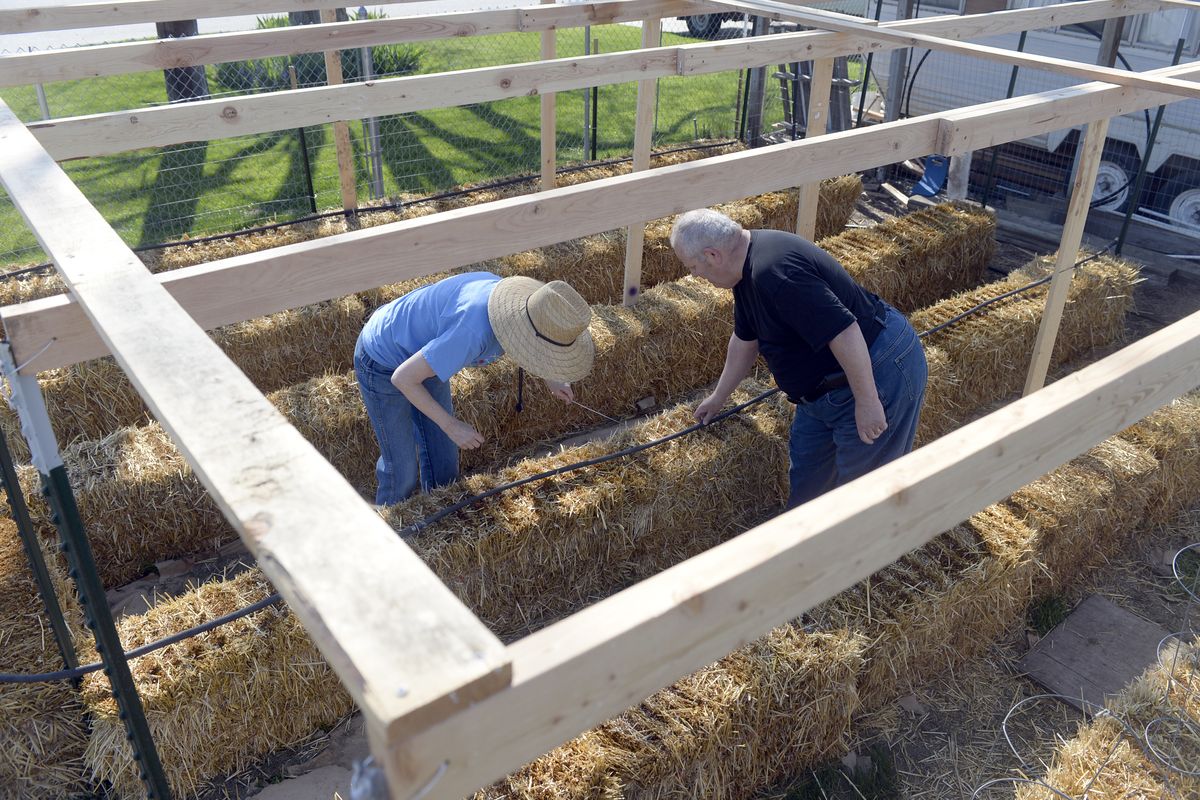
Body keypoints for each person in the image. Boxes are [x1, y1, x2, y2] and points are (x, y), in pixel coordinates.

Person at [669, 209, 927, 509]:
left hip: (874, 372)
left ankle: (852, 553)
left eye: (693, 267)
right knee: (808, 491)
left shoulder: (776, 274)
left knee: (861, 499)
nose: (694, 276)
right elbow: (745, 340)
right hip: (822, 394)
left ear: (713, 255)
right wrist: (718, 397)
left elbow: (844, 331)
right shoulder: (745, 265)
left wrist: (868, 402)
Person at [354, 272, 594, 506]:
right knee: (402, 469)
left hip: (427, 354)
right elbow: (403, 378)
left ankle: (438, 523)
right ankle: (389, 532)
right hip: (383, 361)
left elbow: (531, 346)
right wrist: (451, 426)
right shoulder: (472, 333)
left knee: (444, 459)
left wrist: (550, 378)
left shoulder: (516, 309)